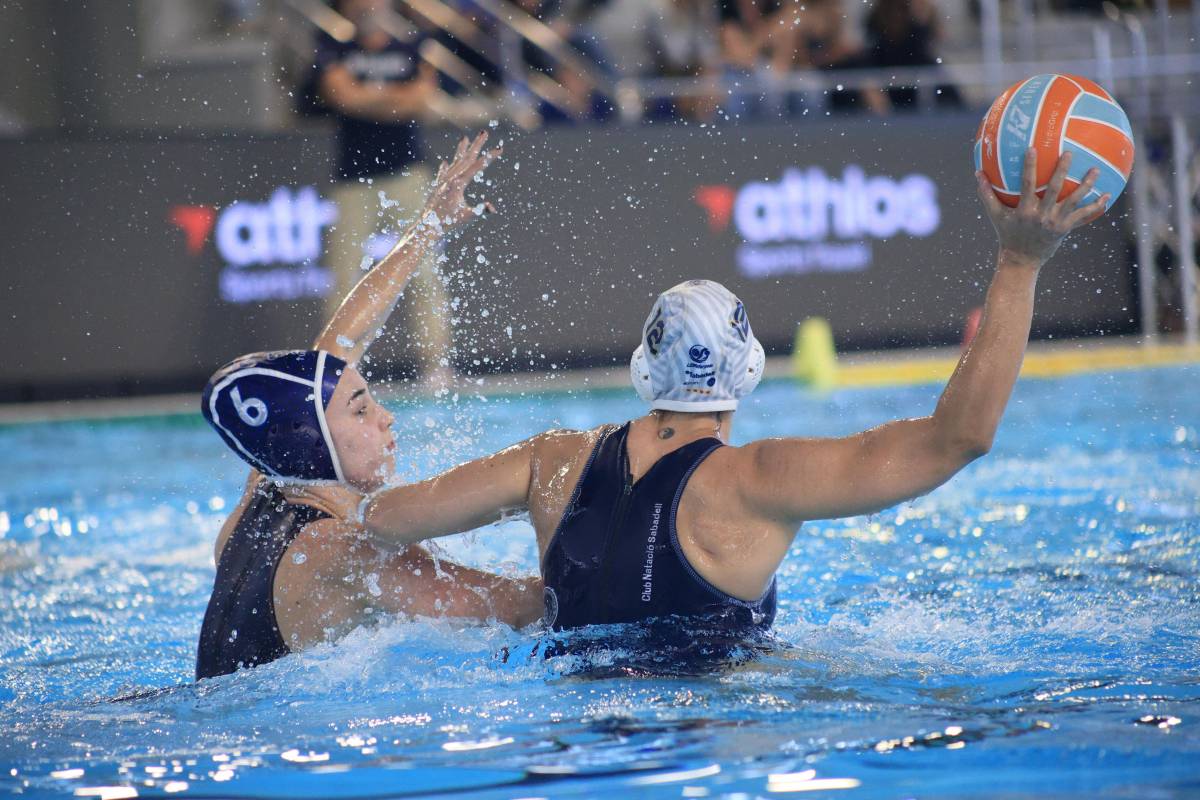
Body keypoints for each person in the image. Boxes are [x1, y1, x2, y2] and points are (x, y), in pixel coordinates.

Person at [362, 150, 1109, 639]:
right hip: (711, 736)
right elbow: (960, 439)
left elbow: (383, 521)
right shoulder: (759, 481)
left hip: (568, 737)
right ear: (746, 372)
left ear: (642, 370)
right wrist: (1020, 260)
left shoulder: (548, 462)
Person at [196, 133, 542, 681]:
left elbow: (341, 344)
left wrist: (427, 227)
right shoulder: (340, 551)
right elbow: (520, 608)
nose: (386, 418)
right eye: (360, 411)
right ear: (311, 441)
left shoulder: (265, 487)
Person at [316, 0, 454, 387]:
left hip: (406, 175)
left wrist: (368, 97)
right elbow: (342, 96)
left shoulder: (413, 47)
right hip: (353, 179)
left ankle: (435, 364)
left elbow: (422, 100)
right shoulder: (333, 47)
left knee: (424, 272)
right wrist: (394, 98)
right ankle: (336, 368)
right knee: (344, 276)